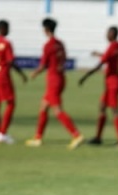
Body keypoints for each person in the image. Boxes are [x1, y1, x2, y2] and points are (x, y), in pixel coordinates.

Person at [25, 18, 85, 149]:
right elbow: (63, 60)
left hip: (53, 80)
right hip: (61, 78)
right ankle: (38, 137)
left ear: (46, 30)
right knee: (43, 106)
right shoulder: (60, 44)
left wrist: (34, 73)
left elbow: (43, 65)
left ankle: (76, 135)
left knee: (57, 110)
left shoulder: (48, 45)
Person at [78, 26, 118, 146]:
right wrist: (98, 54)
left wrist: (85, 76)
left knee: (115, 110)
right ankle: (98, 138)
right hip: (115, 80)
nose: (106, 35)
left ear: (112, 34)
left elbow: (100, 65)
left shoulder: (112, 46)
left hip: (113, 82)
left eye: (108, 33)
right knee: (102, 107)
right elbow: (110, 57)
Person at [0, 20, 27, 144]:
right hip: (3, 76)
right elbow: (10, 61)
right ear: (3, 28)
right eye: (8, 28)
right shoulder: (6, 43)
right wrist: (21, 74)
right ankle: (3, 132)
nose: (9, 30)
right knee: (11, 103)